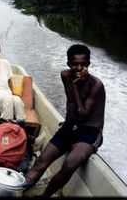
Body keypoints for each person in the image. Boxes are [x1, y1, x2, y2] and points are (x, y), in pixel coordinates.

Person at [23, 44, 105, 197]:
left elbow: (83, 114)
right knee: (41, 162)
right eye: (75, 64)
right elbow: (71, 104)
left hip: (90, 132)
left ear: (88, 65)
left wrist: (75, 86)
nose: (79, 67)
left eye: (83, 64)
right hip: (70, 126)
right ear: (69, 64)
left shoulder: (96, 85)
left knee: (70, 163)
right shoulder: (65, 75)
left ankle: (45, 196)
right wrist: (68, 123)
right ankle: (19, 189)